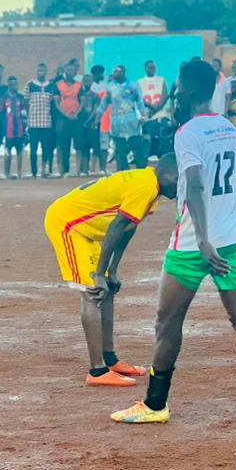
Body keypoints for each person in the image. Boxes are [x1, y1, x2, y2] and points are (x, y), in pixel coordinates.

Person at [111, 60, 236, 428]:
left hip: (194, 244)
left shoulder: (188, 133)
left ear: (190, 90)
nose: (176, 92)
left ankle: (155, 403)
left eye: (179, 86)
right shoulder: (227, 128)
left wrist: (205, 240)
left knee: (167, 321)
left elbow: (193, 184)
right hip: (232, 240)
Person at [44, 155, 179, 386]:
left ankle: (110, 359)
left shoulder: (151, 184)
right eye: (180, 180)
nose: (182, 186)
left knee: (106, 288)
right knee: (92, 291)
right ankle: (97, 371)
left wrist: (111, 270)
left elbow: (128, 227)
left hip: (85, 230)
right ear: (168, 175)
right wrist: (99, 273)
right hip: (68, 225)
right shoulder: (146, 186)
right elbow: (117, 227)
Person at [100, 65, 145, 171]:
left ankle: (141, 169)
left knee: (136, 146)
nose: (116, 74)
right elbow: (104, 103)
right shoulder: (110, 87)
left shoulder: (132, 85)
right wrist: (98, 116)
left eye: (118, 72)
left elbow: (139, 101)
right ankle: (123, 170)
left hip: (131, 122)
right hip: (117, 123)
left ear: (124, 72)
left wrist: (143, 115)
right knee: (120, 148)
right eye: (114, 72)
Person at [26, 63, 57, 178]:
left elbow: (53, 103)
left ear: (46, 71)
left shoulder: (51, 86)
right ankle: (34, 172)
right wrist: (29, 117)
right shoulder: (30, 84)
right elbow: (26, 102)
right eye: (39, 70)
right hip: (33, 123)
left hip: (46, 123)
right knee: (33, 149)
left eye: (43, 70)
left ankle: (44, 170)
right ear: (36, 71)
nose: (41, 72)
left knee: (46, 148)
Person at [55, 65, 84, 177]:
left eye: (71, 70)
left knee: (78, 145)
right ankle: (64, 170)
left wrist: (76, 114)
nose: (69, 72)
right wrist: (66, 115)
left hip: (76, 119)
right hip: (63, 119)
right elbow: (56, 103)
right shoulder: (58, 85)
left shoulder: (79, 85)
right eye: (67, 70)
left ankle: (78, 170)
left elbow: (82, 101)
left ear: (75, 71)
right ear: (64, 71)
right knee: (64, 145)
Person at [0, 75, 27, 179]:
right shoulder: (3, 98)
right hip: (8, 130)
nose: (16, 86)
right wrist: (3, 128)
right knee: (8, 151)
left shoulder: (21, 97)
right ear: (9, 85)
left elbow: (24, 112)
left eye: (16, 84)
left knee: (19, 151)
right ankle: (7, 173)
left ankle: (19, 173)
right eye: (13, 84)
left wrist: (25, 125)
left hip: (19, 130)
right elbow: (0, 113)